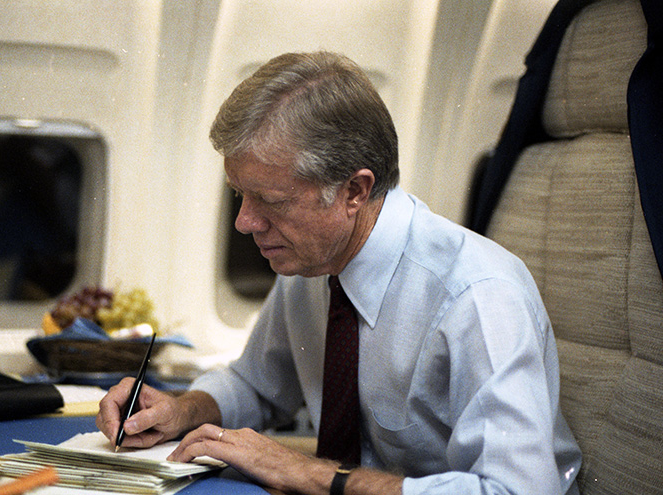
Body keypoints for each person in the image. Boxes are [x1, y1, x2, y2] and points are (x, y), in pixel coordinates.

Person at [97, 51, 582, 494]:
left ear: (354, 190)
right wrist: (184, 409)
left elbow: (517, 492)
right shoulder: (312, 263)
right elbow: (257, 384)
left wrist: (310, 473)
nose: (245, 222)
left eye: (271, 200)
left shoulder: (477, 295)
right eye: (240, 196)